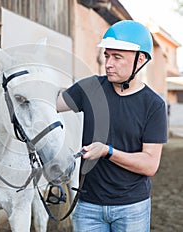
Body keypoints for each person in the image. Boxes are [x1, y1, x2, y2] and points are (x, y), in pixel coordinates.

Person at [56, 20, 167, 232]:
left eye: (117, 57)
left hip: (132, 208)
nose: (108, 63)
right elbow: (50, 105)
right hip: (87, 205)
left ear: (140, 59)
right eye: (107, 56)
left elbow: (150, 164)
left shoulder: (153, 105)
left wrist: (107, 151)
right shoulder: (89, 88)